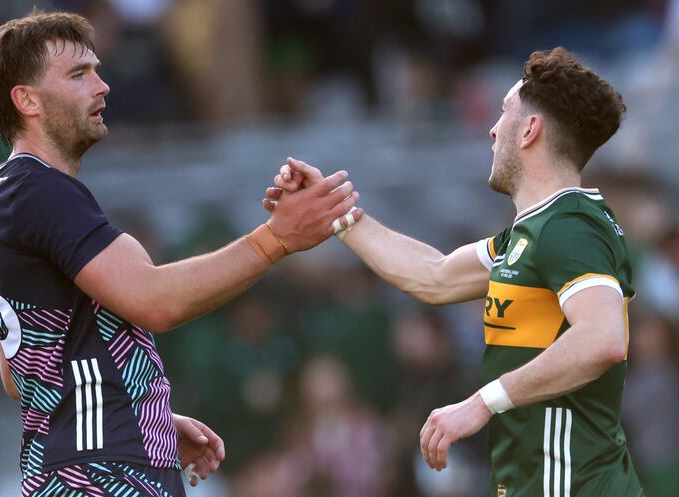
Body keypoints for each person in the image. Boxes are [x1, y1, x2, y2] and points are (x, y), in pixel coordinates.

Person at [0, 10, 362, 497]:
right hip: (101, 474)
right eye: (79, 74)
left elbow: (20, 373)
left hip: (76, 464)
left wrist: (142, 412)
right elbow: (156, 301)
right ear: (26, 99)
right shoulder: (39, 192)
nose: (103, 85)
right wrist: (276, 238)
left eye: (96, 68)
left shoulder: (2, 197)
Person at [267, 47, 644, 496]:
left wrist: (483, 402)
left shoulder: (569, 226)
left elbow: (603, 339)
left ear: (529, 130)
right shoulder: (532, 234)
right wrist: (334, 213)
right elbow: (435, 275)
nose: (491, 128)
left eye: (503, 113)